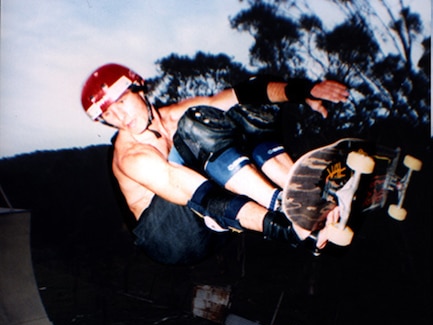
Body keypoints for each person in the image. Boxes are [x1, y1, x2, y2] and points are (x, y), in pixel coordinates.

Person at [80, 63, 349, 264]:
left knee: (242, 114)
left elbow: (240, 94)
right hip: (170, 234)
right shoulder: (130, 155)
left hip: (215, 222)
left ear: (139, 89)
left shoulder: (176, 115)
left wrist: (302, 91)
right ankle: (284, 205)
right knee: (197, 127)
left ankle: (302, 184)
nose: (119, 117)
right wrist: (282, 227)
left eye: (122, 103)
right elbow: (184, 187)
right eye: (108, 115)